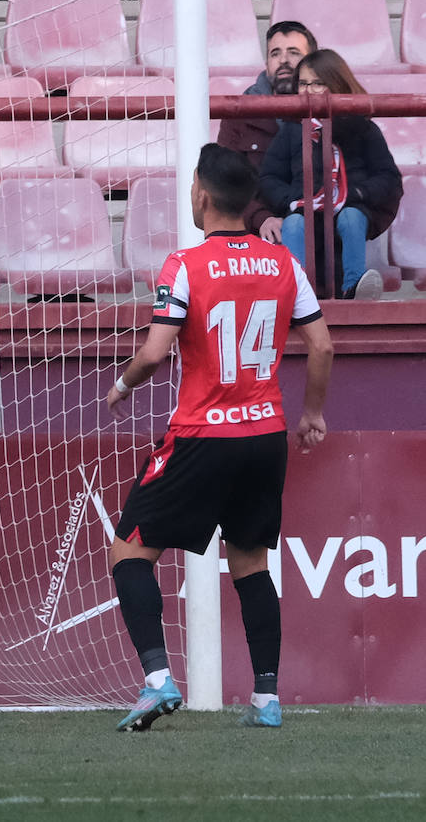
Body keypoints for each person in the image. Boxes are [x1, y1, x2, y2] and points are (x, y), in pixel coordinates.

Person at [105, 142, 334, 732]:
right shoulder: (284, 263)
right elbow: (323, 345)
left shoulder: (185, 264)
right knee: (252, 561)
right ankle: (266, 699)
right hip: (265, 434)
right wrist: (312, 413)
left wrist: (124, 383)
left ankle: (157, 680)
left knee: (130, 549)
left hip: (203, 434)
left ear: (201, 196)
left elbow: (156, 351)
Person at [257, 49, 403, 301]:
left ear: (337, 84)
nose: (308, 91)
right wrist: (290, 201)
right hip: (304, 210)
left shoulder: (363, 129)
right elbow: (269, 178)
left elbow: (388, 178)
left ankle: (354, 289)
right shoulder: (292, 130)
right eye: (302, 83)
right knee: (292, 223)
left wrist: (358, 193)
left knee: (351, 217)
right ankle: (297, 292)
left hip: (348, 209)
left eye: (317, 84)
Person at [217, 20, 318, 241]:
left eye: (293, 53)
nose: (283, 60)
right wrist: (261, 218)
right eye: (275, 53)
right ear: (266, 62)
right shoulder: (238, 114)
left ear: (312, 61)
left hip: (320, 238)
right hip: (255, 240)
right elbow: (225, 183)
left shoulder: (334, 112)